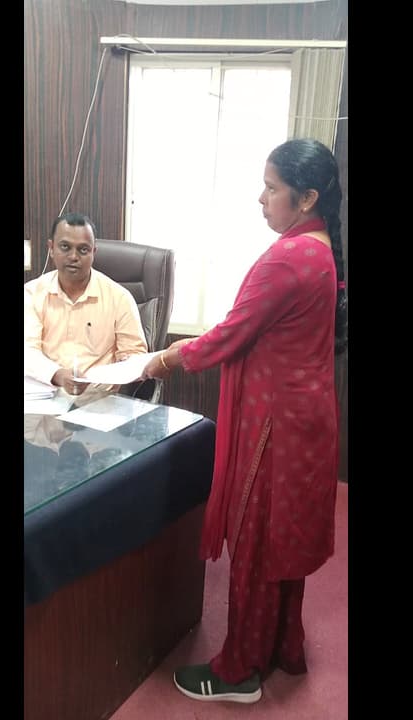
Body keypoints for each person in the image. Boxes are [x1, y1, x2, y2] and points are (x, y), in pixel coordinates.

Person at [145, 138, 347, 704]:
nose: (261, 198)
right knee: (283, 541)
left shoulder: (289, 257)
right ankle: (282, 646)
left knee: (257, 544)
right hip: (307, 421)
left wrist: (162, 359)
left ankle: (239, 672)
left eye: (271, 188)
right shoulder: (320, 248)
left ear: (306, 198)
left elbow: (231, 334)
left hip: (274, 428)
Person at [25, 212, 149, 398]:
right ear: (51, 248)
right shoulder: (31, 293)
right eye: (65, 247)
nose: (73, 256)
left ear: (93, 252)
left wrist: (124, 368)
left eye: (83, 250)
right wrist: (57, 374)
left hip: (100, 401)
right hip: (44, 396)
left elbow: (134, 356)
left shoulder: (119, 298)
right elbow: (27, 351)